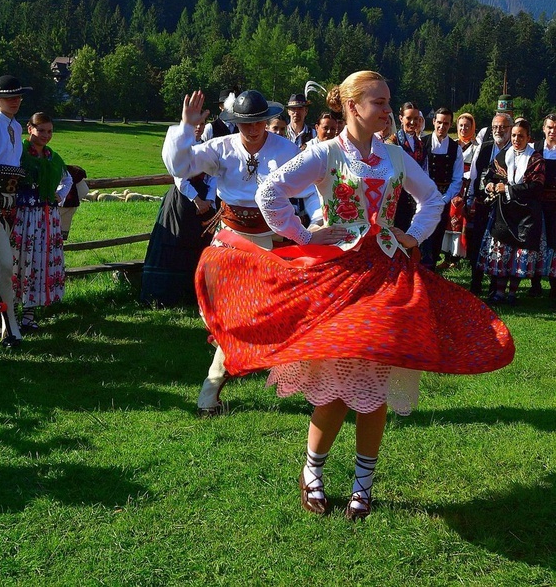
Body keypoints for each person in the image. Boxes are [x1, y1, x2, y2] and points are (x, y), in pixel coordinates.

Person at [195, 71, 515, 519]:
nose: (388, 110)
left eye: (388, 103)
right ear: (352, 106)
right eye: (379, 103)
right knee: (334, 388)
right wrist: (304, 234)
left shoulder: (396, 157)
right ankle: (313, 474)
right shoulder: (326, 154)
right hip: (338, 280)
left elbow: (433, 201)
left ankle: (363, 485)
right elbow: (271, 191)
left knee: (375, 385)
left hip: (386, 280)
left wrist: (412, 236)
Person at [162, 89, 316, 414]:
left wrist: (316, 220)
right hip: (228, 242)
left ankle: (211, 391)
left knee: (251, 318)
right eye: (245, 123)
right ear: (236, 122)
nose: (252, 128)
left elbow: (311, 188)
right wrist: (185, 128)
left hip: (269, 244)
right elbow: (180, 165)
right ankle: (228, 367)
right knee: (224, 319)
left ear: (267, 120)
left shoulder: (285, 150)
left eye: (258, 121)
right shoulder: (221, 148)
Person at [141, 120, 217, 306]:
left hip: (204, 199)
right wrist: (196, 199)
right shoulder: (180, 147)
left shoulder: (207, 147)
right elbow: (179, 178)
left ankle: (195, 293)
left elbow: (214, 175)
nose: (199, 127)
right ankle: (165, 295)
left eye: (202, 124)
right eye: (195, 124)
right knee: (176, 239)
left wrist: (209, 199)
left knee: (199, 242)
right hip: (182, 200)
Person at [11, 112, 72, 332]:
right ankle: (11, 315)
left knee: (38, 263)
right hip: (23, 216)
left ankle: (28, 315)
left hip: (46, 217)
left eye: (49, 131)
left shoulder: (52, 157)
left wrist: (59, 195)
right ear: (30, 129)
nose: (46, 135)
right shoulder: (19, 153)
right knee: (19, 262)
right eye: (41, 130)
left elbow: (68, 178)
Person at [478, 119, 545, 305]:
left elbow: (536, 186)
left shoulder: (536, 159)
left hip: (526, 216)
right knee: (502, 253)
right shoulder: (502, 156)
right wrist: (489, 184)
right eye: (514, 135)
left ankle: (512, 293)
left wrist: (507, 189)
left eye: (520, 136)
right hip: (504, 214)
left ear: (528, 138)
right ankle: (499, 292)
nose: (516, 139)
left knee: (519, 254)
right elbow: (489, 175)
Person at [0, 74, 33, 346]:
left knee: (2, 265)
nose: (15, 101)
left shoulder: (17, 127)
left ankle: (7, 328)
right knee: (5, 264)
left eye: (18, 96)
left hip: (9, 202)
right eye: (9, 97)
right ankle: (11, 329)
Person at [466, 113, 512, 295]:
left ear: (509, 129)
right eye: (495, 127)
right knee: (477, 243)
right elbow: (474, 176)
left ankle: (496, 285)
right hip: (482, 205)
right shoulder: (485, 148)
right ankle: (475, 282)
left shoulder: (514, 151)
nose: (498, 131)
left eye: (502, 127)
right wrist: (470, 200)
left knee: (499, 247)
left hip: (504, 208)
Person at [420, 107, 464, 270]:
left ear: (450, 125)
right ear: (433, 122)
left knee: (437, 235)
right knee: (420, 235)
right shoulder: (422, 144)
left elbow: (457, 178)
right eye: (439, 122)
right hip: (422, 198)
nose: (442, 127)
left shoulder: (455, 148)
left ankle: (431, 271)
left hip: (442, 199)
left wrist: (444, 199)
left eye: (446, 123)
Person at [440, 113, 478, 266]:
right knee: (448, 219)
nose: (463, 128)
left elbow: (475, 169)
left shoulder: (476, 147)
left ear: (472, 127)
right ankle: (447, 256)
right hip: (452, 185)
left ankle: (457, 257)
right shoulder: (453, 144)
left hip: (467, 186)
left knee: (460, 219)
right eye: (461, 125)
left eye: (467, 126)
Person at [390, 102, 427, 233]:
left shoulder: (420, 144)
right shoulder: (392, 141)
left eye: (416, 119)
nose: (413, 122)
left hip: (415, 198)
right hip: (397, 198)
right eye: (409, 118)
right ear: (401, 119)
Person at [536, 113, 556, 301]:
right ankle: (534, 284)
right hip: (537, 204)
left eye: (555, 128)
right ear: (544, 129)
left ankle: (553, 285)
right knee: (537, 242)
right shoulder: (535, 149)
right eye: (549, 127)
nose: (552, 131)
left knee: (554, 244)